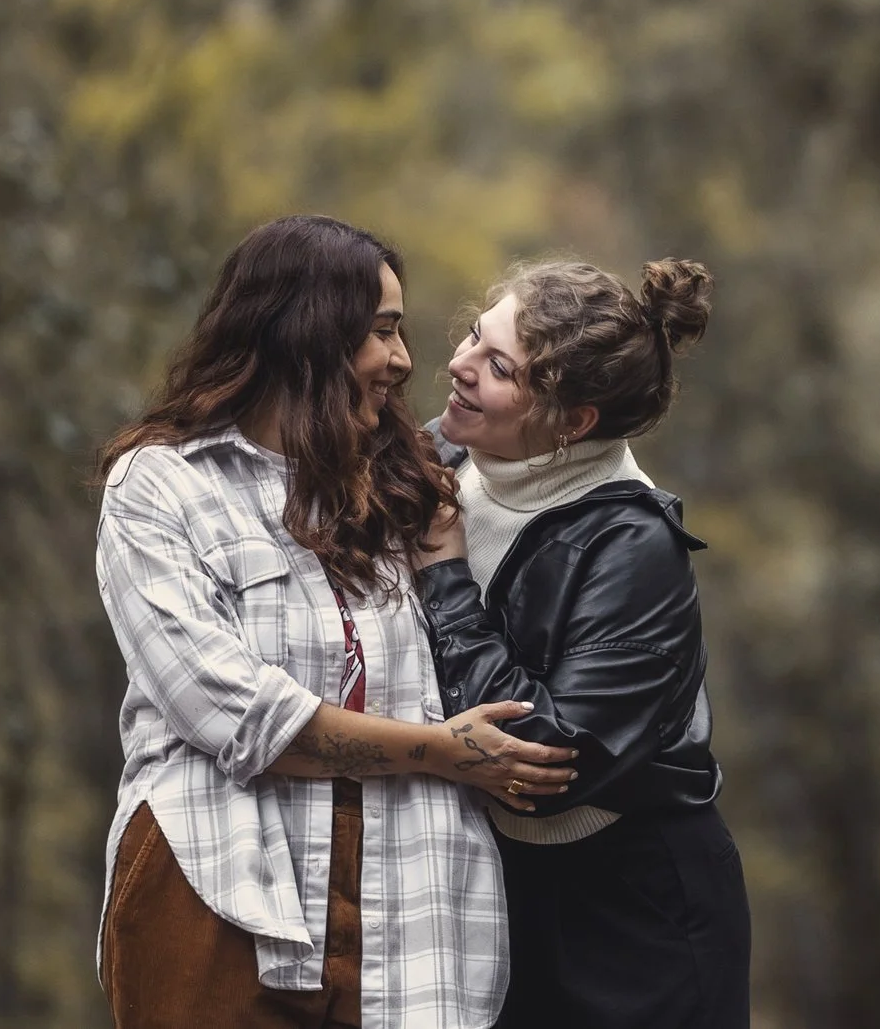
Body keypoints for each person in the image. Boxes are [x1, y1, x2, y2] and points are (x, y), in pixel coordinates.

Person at [94, 214, 578, 1029]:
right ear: (306, 334)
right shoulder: (160, 487)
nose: (404, 361)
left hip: (413, 909)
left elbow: (551, 441)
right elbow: (238, 714)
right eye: (383, 331)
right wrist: (447, 753)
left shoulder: (405, 489)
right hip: (221, 891)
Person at [414, 257, 750, 1029]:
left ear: (573, 422)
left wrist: (445, 574)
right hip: (504, 883)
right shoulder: (436, 457)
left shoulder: (632, 545)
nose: (459, 365)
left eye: (499, 366)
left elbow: (546, 755)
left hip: (636, 911)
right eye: (475, 333)